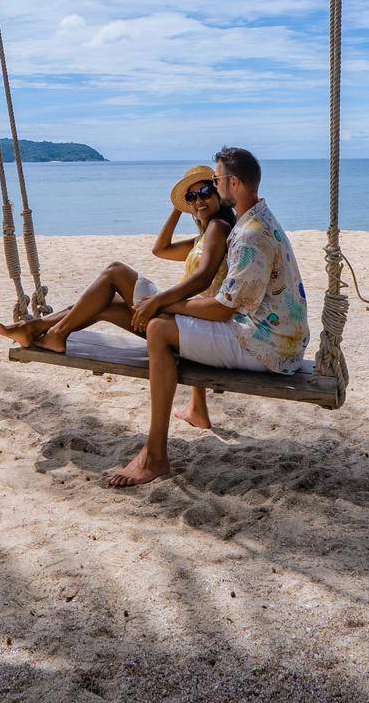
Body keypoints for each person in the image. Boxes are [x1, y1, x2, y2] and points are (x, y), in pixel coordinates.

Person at [106, 145, 310, 489]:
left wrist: (162, 304)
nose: (214, 187)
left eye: (216, 181)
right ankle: (184, 419)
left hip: (267, 346)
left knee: (159, 329)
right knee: (158, 319)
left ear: (233, 184)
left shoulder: (250, 236)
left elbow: (220, 309)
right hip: (274, 334)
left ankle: (155, 456)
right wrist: (164, 304)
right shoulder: (256, 220)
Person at [0, 167, 234, 430]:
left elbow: (202, 280)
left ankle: (49, 330)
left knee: (115, 272)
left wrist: (157, 301)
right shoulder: (203, 236)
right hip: (191, 319)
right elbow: (160, 249)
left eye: (205, 192)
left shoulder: (218, 228)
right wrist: (179, 207)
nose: (199, 200)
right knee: (104, 304)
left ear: (219, 194)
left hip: (195, 322)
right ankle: (39, 329)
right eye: (191, 197)